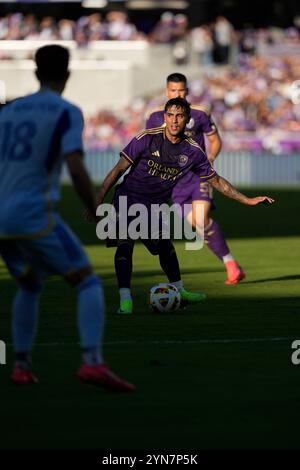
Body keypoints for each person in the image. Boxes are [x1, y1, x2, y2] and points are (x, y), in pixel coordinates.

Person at [0, 45, 134, 391]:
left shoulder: (10, 111)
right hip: (33, 214)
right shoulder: (66, 111)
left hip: (2, 216)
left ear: (35, 72)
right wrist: (98, 207)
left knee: (29, 284)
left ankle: (21, 366)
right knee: (87, 281)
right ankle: (92, 362)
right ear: (68, 73)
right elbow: (74, 165)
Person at [90, 98, 274, 314]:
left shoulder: (193, 151)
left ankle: (179, 290)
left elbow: (217, 181)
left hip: (155, 208)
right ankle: (125, 300)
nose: (174, 120)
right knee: (125, 245)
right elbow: (118, 169)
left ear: (187, 119)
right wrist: (99, 197)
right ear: (165, 117)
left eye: (179, 116)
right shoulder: (146, 139)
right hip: (127, 199)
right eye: (170, 115)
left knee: (164, 247)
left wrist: (247, 200)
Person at [146, 72, 245, 285]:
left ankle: (231, 268)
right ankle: (232, 263)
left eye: (181, 90)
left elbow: (216, 141)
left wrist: (209, 157)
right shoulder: (156, 117)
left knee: (200, 220)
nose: (178, 94)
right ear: (167, 92)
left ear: (187, 91)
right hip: (173, 182)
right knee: (200, 227)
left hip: (198, 176)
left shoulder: (199, 114)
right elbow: (149, 147)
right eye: (173, 90)